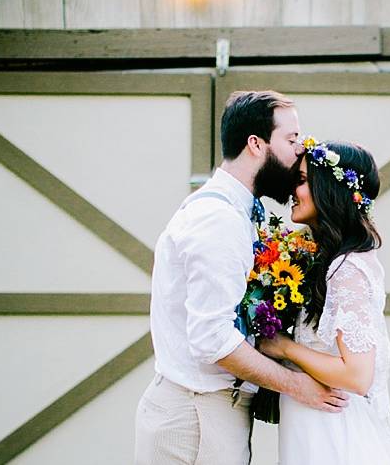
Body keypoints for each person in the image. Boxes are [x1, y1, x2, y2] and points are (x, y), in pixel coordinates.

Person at [134, 92, 348, 465]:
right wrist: (298, 385)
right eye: (291, 138)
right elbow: (212, 340)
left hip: (207, 411)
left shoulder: (237, 212)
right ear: (256, 144)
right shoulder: (219, 220)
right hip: (195, 416)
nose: (300, 150)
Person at [259, 139, 390, 465]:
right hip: (312, 428)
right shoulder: (326, 260)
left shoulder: (347, 268)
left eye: (301, 181)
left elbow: (357, 374)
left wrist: (283, 347)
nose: (291, 192)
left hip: (335, 434)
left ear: (328, 190)